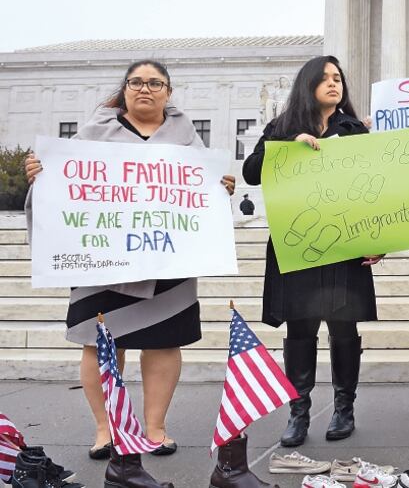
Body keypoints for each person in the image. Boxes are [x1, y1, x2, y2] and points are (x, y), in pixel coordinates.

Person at [24, 60, 236, 460]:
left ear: (168, 92)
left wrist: (220, 186)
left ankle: (155, 428)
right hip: (101, 260)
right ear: (124, 89)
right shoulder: (93, 133)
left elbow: (202, 194)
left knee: (163, 341)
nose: (145, 88)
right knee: (99, 343)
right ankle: (107, 429)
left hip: (166, 261)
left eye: (155, 83)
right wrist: (40, 173)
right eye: (136, 82)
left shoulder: (188, 138)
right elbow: (63, 182)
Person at [242, 55, 382, 448]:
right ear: (308, 85)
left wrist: (378, 242)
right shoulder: (283, 126)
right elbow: (253, 171)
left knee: (343, 328)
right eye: (325, 79)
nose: (334, 84)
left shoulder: (354, 130)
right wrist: (288, 146)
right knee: (299, 328)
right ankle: (298, 411)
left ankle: (343, 408)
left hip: (346, 245)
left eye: (338, 78)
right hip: (298, 241)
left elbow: (377, 189)